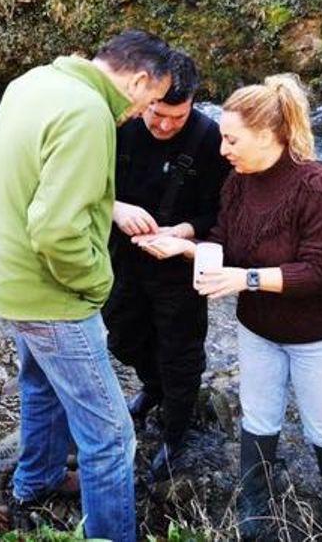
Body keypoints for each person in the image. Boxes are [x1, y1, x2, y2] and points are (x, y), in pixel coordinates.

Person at [0, 29, 176, 542]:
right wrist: (94, 282)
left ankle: (35, 480)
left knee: (41, 383)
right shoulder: (88, 113)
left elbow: (1, 168)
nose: (144, 114)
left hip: (7, 279)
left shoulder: (35, 81)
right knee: (110, 436)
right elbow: (56, 229)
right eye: (151, 100)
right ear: (137, 80)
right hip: (51, 296)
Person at [139, 74, 322, 538]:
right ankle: (256, 503)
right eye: (222, 138)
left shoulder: (318, 185)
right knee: (258, 416)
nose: (223, 151)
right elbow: (226, 243)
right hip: (259, 327)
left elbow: (321, 270)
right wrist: (186, 245)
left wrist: (244, 279)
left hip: (319, 333)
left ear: (269, 135)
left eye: (232, 140)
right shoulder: (238, 184)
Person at [104, 51, 229, 479]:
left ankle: (176, 428)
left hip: (178, 263)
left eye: (176, 117)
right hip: (122, 254)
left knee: (180, 350)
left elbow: (220, 211)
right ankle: (153, 386)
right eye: (157, 113)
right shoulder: (121, 126)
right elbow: (87, 186)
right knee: (121, 336)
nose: (163, 125)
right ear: (146, 98)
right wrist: (116, 207)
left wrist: (185, 232)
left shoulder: (210, 137)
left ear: (193, 103)